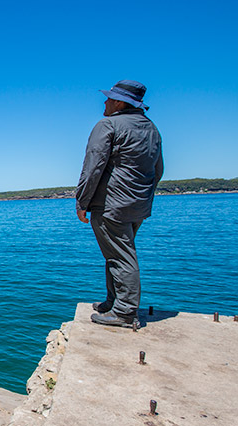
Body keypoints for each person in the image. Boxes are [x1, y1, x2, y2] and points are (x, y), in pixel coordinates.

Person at [76, 80, 163, 328]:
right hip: (138, 205)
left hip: (112, 204)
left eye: (109, 98)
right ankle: (113, 301)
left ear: (120, 102)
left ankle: (124, 312)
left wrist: (82, 201)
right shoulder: (151, 129)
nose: (105, 102)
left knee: (121, 256)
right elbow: (158, 169)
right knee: (117, 253)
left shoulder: (108, 125)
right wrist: (142, 197)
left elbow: (93, 166)